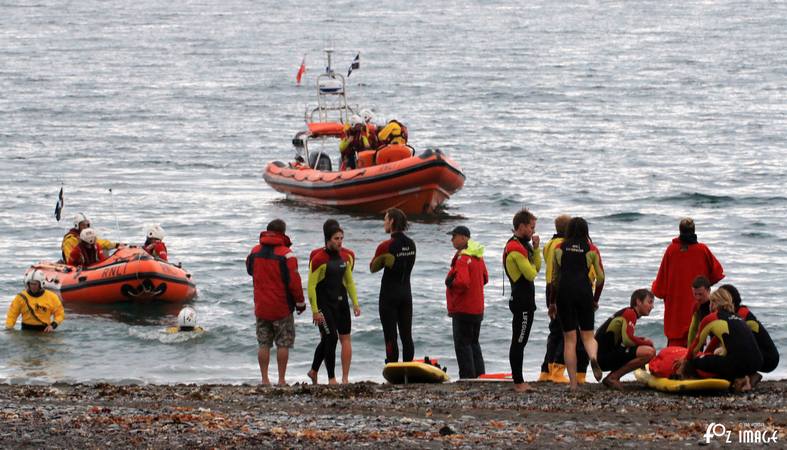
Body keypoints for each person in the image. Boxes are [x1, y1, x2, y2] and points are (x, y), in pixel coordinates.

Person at [246, 219, 306, 386]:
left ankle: (265, 379)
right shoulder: (287, 254)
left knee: (263, 343)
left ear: (267, 231)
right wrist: (300, 303)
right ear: (283, 233)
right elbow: (294, 282)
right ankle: (281, 380)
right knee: (283, 343)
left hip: (261, 306)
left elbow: (250, 270)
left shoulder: (254, 252)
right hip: (281, 307)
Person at [549, 217, 605, 390]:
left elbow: (554, 279)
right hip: (584, 292)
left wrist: (552, 302)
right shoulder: (592, 249)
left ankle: (573, 384)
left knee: (570, 340)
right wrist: (595, 299)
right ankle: (593, 357)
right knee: (588, 336)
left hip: (564, 293)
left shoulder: (559, 248)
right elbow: (601, 278)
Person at [652, 218, 725, 347]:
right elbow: (717, 274)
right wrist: (705, 288)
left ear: (680, 231)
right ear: (694, 231)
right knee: (697, 344)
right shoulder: (702, 250)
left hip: (676, 313)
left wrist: (655, 285)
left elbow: (659, 289)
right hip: (698, 306)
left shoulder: (671, 251)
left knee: (675, 351)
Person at [307, 222, 360, 384]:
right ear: (327, 239)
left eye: (341, 238)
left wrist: (355, 304)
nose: (340, 241)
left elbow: (349, 282)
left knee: (341, 338)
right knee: (331, 339)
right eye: (336, 238)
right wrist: (315, 310)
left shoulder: (346, 256)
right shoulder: (318, 259)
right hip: (325, 305)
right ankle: (331, 378)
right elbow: (311, 285)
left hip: (341, 303)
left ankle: (338, 376)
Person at [679, 288, 762, 392]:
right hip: (757, 363)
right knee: (722, 359)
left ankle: (691, 381)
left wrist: (685, 360)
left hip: (739, 364)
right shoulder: (738, 318)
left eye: (711, 302)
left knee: (694, 361)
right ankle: (745, 378)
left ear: (713, 303)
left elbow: (696, 345)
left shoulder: (711, 318)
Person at [370, 208, 416, 363]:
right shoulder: (412, 244)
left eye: (385, 219)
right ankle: (408, 369)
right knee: (406, 335)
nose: (384, 223)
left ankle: (393, 368)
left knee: (390, 336)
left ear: (392, 222)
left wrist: (383, 260)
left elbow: (372, 268)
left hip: (389, 296)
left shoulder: (386, 246)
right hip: (406, 295)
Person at [502, 209, 541, 392]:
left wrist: (537, 248)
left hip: (526, 300)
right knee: (518, 341)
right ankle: (518, 381)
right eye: (531, 227)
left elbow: (537, 268)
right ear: (522, 226)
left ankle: (519, 379)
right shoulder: (515, 248)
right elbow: (531, 274)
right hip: (520, 300)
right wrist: (532, 261)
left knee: (521, 341)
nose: (533, 231)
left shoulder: (525, 245)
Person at [445, 225, 487, 379]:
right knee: (474, 343)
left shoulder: (463, 258)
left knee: (462, 344)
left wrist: (451, 282)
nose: (452, 240)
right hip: (477, 308)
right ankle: (480, 375)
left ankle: (467, 377)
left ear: (463, 238)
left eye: (454, 236)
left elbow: (462, 282)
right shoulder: (478, 256)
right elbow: (485, 278)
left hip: (463, 309)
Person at [595, 289, 657, 390]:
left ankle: (614, 376)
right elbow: (628, 340)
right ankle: (613, 378)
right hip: (603, 358)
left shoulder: (627, 312)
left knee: (646, 348)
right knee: (649, 352)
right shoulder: (630, 313)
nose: (652, 306)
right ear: (638, 302)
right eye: (649, 302)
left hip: (603, 356)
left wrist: (642, 340)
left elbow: (625, 338)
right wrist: (647, 342)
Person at [718, 284, 779, 386]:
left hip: (768, 358)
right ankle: (751, 374)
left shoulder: (741, 314)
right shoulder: (734, 314)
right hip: (763, 356)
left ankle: (747, 376)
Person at [685, 276, 712, 346]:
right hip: (703, 341)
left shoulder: (716, 305)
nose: (697, 297)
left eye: (700, 294)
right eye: (695, 294)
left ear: (709, 290)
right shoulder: (696, 306)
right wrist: (689, 350)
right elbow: (693, 330)